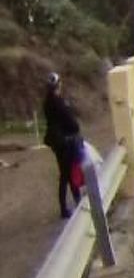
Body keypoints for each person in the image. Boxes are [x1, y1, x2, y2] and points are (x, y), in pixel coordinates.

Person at [41, 71, 84, 219]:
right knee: (68, 173)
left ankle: (68, 206)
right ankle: (73, 205)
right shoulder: (59, 102)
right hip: (65, 142)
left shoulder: (47, 102)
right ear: (58, 85)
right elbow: (71, 122)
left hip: (56, 142)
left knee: (65, 174)